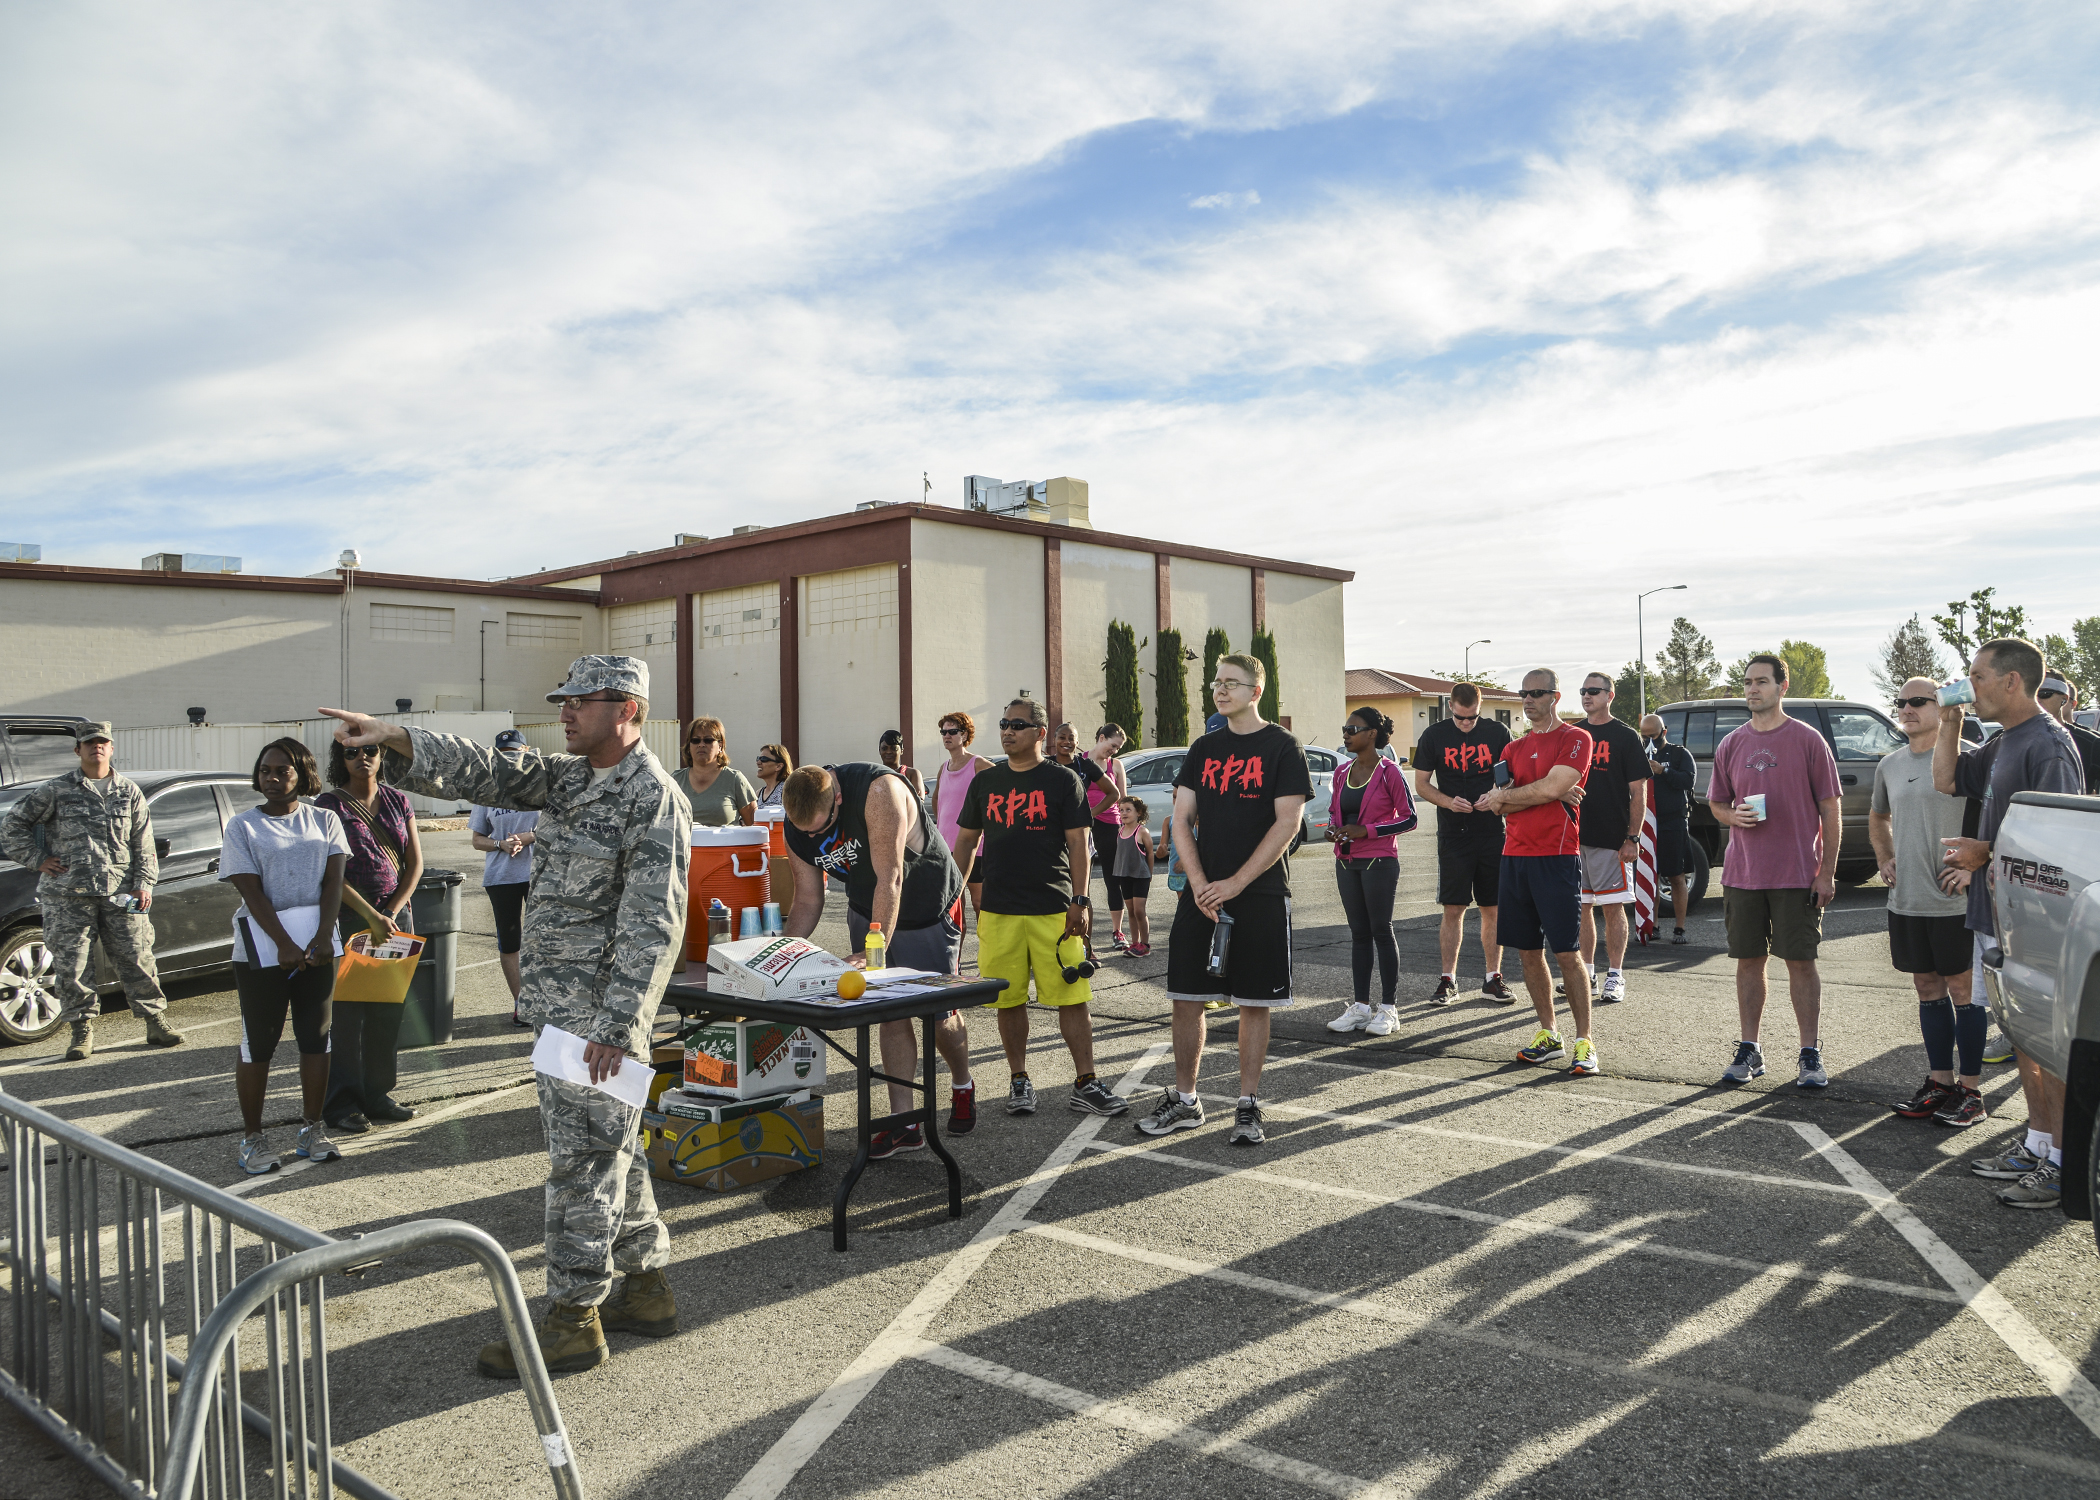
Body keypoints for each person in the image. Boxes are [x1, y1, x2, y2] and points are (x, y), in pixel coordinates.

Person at [323, 655, 688, 1378]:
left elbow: (655, 923)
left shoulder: (653, 796)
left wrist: (618, 1029)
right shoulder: (572, 778)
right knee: (615, 1151)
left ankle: (573, 1319)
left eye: (579, 701)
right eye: (565, 701)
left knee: (582, 1164)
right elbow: (482, 771)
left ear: (627, 708)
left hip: (598, 1023)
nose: (565, 712)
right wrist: (390, 734)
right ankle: (644, 1288)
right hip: (562, 1012)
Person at [1933, 639, 2083, 1208]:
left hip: (2039, 925)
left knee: (2050, 1045)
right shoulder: (2002, 742)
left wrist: (1984, 854)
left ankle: (2064, 1163)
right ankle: (2038, 1143)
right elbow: (1947, 779)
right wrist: (1950, 718)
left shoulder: (2048, 746)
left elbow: (2061, 849)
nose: (1970, 686)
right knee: (2024, 1039)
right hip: (2000, 915)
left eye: (1976, 678)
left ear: (2012, 681)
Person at [1138, 652, 1311, 1146]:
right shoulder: (1204, 748)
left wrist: (1234, 883)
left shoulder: (1282, 747)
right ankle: (1187, 1101)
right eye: (1217, 682)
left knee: (1254, 1001)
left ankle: (1247, 1105)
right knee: (1186, 997)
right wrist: (1198, 882)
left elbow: (1288, 824)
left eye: (1232, 683)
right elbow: (1181, 819)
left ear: (1256, 692)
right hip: (1202, 894)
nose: (1221, 690)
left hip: (1259, 893)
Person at [781, 758, 979, 1150]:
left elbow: (891, 877)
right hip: (868, 907)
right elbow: (807, 896)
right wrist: (783, 953)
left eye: (822, 826)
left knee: (939, 1015)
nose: (816, 835)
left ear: (838, 798)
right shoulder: (795, 820)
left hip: (927, 902)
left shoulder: (877, 790)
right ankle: (904, 1122)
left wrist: (873, 950)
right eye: (807, 831)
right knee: (890, 1012)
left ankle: (962, 1082)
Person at [948, 700, 1128, 1119]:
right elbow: (964, 843)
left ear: (1040, 733)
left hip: (1054, 907)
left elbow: (1079, 845)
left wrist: (1080, 900)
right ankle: (1019, 1080)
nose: (1008, 731)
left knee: (1072, 996)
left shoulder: (1062, 780)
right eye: (1004, 724)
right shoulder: (986, 782)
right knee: (1008, 1000)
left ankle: (1085, 1082)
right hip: (999, 909)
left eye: (1018, 724)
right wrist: (951, 892)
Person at [222, 738, 365, 1175]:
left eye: (283, 770)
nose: (272, 777)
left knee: (315, 1037)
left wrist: (325, 936)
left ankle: (311, 1129)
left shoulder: (325, 820)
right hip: (262, 951)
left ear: (303, 774)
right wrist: (283, 942)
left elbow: (333, 883)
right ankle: (252, 1139)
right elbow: (250, 889)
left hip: (319, 947)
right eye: (265, 770)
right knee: (259, 1043)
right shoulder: (242, 826)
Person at [0, 721, 182, 1060]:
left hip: (121, 893)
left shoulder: (128, 792)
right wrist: (38, 859)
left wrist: (144, 884)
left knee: (137, 957)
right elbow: (12, 826)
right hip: (67, 896)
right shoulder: (55, 790)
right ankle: (81, 1033)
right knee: (72, 966)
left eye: (102, 742)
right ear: (78, 750)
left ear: (112, 748)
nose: (96, 747)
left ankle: (155, 1022)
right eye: (89, 743)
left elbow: (143, 843)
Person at [1708, 654, 1843, 1089]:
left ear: (1782, 687)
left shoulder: (1807, 740)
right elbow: (1716, 803)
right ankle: (1751, 1049)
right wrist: (1732, 818)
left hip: (1797, 874)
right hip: (1743, 874)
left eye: (1761, 682)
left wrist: (1827, 872)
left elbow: (1831, 808)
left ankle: (1810, 1053)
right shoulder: (1731, 743)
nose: (1752, 689)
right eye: (1747, 682)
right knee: (1749, 962)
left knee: (1801, 963)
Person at [1874, 679, 1986, 1127]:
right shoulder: (1890, 764)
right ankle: (1940, 1084)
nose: (1906, 709)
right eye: (1900, 702)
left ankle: (1972, 1093)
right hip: (1909, 898)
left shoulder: (1971, 759)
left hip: (1956, 901)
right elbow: (1877, 814)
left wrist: (1975, 865)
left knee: (1965, 992)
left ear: (1944, 706)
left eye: (1918, 701)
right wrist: (1884, 857)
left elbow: (2000, 815)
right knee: (1927, 988)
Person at [1476, 671, 1598, 1076]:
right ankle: (1550, 1034)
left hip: (1556, 856)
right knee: (1528, 951)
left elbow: (1552, 786)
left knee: (1567, 952)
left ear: (1555, 696)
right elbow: (1496, 805)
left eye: (1536, 693)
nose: (1527, 699)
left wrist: (1542, 790)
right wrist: (1539, 792)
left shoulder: (1576, 738)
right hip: (1515, 857)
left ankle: (1585, 1041)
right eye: (1523, 693)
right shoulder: (1513, 748)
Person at [315, 739, 424, 1133]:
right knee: (347, 1018)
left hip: (396, 921)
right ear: (339, 760)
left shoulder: (398, 801)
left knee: (386, 1012)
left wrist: (391, 912)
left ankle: (377, 1095)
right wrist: (372, 915)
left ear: (382, 757)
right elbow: (331, 873)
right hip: (351, 922)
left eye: (371, 751)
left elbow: (415, 864)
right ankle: (342, 1104)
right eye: (351, 753)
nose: (363, 758)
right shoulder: (329, 806)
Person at [1410, 683, 1514, 1003]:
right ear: (1450, 708)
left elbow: (1508, 779)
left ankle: (1493, 978)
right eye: (1460, 718)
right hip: (1454, 833)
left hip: (1490, 832)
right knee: (1453, 908)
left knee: (1491, 908)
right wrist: (1446, 801)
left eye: (1472, 718)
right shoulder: (1434, 735)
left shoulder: (1498, 733)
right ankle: (1447, 980)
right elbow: (1422, 785)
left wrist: (1495, 796)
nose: (1466, 723)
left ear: (1480, 708)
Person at [1324, 708, 1418, 1036]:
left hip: (1379, 860)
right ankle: (1361, 1008)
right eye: (1345, 728)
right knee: (1359, 933)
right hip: (1346, 862)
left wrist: (1368, 830)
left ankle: (1389, 1010)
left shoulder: (1389, 771)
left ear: (1373, 733)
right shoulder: (1342, 772)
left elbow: (1409, 818)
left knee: (1380, 929)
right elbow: (1337, 813)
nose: (1346, 733)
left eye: (1353, 728)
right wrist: (1334, 828)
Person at [1572, 673, 1650, 1003]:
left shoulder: (1624, 736)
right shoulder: (1573, 733)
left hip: (1611, 838)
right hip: (1574, 838)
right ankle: (1586, 972)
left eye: (1593, 691)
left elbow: (1638, 792)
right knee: (1582, 907)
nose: (1587, 696)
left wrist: (1632, 837)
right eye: (1583, 691)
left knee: (1612, 907)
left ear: (1609, 695)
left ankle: (1615, 975)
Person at [471, 728, 539, 1028]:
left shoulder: (540, 787)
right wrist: (500, 844)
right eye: (503, 755)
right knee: (510, 942)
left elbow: (559, 826)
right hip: (502, 877)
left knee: (543, 942)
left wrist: (528, 837)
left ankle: (546, 1001)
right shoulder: (487, 791)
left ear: (527, 752)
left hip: (538, 875)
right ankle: (521, 1003)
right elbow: (476, 839)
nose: (509, 759)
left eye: (514, 753)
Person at [929, 711, 995, 932]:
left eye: (952, 731)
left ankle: (990, 959)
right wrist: (941, 826)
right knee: (953, 909)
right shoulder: (943, 768)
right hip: (946, 848)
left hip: (975, 848)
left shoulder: (978, 764)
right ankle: (955, 965)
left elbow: (1004, 787)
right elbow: (937, 797)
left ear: (965, 734)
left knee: (981, 905)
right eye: (943, 732)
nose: (946, 736)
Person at [1640, 715, 1698, 943]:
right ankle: (1651, 926)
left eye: (1653, 736)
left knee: (1676, 876)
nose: (1649, 742)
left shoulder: (1679, 754)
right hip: (1647, 823)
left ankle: (1680, 928)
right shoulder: (1639, 755)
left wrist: (1663, 772)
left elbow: (1688, 781)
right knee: (1649, 876)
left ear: (1664, 731)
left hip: (1673, 823)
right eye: (1645, 737)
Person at [1076, 724, 1131, 946]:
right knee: (1082, 881)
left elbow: (1123, 799)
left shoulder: (1116, 765)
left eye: (1118, 748)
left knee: (1113, 879)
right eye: (1112, 745)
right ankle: (1083, 936)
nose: (1114, 751)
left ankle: (1118, 932)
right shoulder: (1080, 762)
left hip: (1110, 824)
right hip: (1083, 826)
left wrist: (1131, 826)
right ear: (1101, 738)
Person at [674, 716, 755, 827]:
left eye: (708, 740)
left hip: (726, 843)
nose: (701, 744)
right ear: (689, 746)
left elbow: (755, 824)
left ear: (720, 746)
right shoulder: (675, 780)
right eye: (695, 740)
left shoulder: (735, 779)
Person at [2038, 674, 2100, 793]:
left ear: (2064, 699)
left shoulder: (2091, 743)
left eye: (2045, 694)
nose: (2038, 700)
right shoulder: (2004, 739)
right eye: (2033, 695)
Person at [1109, 796, 1155, 956]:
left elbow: (1150, 853)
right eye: (1121, 810)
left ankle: (1145, 944)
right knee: (1130, 910)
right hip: (1124, 875)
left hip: (1140, 876)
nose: (1124, 813)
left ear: (1139, 813)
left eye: (1128, 809)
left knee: (1139, 911)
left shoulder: (1142, 831)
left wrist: (1150, 873)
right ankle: (1135, 943)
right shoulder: (1120, 830)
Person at [877, 729, 926, 801]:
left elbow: (919, 801)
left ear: (901, 750)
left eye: (894, 748)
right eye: (884, 748)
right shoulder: (875, 774)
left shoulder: (912, 774)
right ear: (879, 751)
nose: (888, 752)